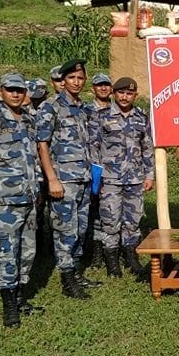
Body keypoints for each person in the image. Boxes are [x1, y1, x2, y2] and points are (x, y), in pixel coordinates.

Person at [0, 73, 42, 328]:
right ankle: (9, 306)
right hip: (3, 202)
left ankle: (21, 297)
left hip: (29, 198)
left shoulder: (30, 120)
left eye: (19, 90)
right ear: (1, 92)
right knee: (5, 253)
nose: (15, 94)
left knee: (27, 252)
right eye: (10, 90)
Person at [36, 58, 97, 298]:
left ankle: (77, 272)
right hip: (63, 179)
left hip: (82, 177)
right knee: (65, 229)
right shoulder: (50, 107)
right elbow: (42, 143)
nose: (77, 82)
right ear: (62, 80)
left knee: (80, 228)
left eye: (80, 78)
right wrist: (51, 179)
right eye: (72, 78)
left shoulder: (82, 107)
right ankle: (67, 279)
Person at [88, 76, 154, 279]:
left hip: (135, 178)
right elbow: (93, 147)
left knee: (132, 221)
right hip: (110, 179)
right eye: (121, 93)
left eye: (129, 93)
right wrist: (96, 179)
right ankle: (112, 263)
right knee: (110, 221)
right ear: (114, 94)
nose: (125, 97)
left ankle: (132, 259)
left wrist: (149, 174)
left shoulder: (141, 117)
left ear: (135, 95)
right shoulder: (102, 116)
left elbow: (147, 148)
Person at [84, 73, 113, 268]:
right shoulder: (85, 111)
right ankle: (96, 253)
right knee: (94, 210)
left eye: (106, 85)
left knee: (111, 210)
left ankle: (112, 250)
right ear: (93, 88)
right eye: (98, 85)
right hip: (92, 166)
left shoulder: (118, 109)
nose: (103, 88)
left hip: (114, 168)